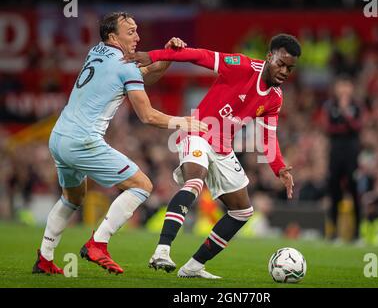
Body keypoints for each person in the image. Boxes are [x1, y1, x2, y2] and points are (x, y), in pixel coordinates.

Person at [32, 12, 207, 275]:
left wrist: (167, 57)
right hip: (82, 141)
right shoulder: (125, 66)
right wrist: (184, 122)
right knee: (142, 186)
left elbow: (141, 76)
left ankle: (44, 258)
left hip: (59, 137)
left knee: (72, 198)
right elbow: (147, 115)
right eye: (131, 32)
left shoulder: (97, 51)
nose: (137, 37)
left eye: (137, 30)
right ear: (113, 36)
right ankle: (98, 244)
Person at [125, 33, 300, 278]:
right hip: (198, 130)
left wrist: (279, 168)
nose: (283, 71)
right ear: (269, 57)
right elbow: (200, 56)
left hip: (222, 147)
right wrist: (152, 55)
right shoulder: (243, 66)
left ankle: (194, 267)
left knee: (242, 212)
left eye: (289, 69)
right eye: (280, 64)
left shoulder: (274, 98)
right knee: (195, 182)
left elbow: (267, 138)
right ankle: (162, 251)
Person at [321, 75, 362, 241]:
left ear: (351, 88)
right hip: (335, 154)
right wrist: (344, 127)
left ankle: (357, 233)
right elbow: (328, 129)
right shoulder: (330, 106)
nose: (344, 89)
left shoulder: (356, 106)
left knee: (354, 192)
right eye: (341, 86)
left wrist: (345, 115)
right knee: (334, 192)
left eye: (347, 85)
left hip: (352, 155)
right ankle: (333, 232)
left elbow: (358, 127)